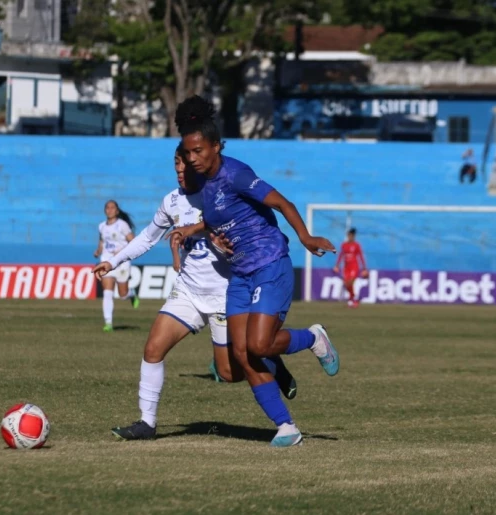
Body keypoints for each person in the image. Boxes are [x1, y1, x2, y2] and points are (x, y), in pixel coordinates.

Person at [93, 147, 298, 441]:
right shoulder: (171, 201)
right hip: (188, 292)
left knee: (230, 374)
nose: (180, 171)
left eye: (184, 165)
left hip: (225, 294)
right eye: (176, 166)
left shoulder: (217, 195)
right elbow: (147, 238)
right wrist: (113, 261)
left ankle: (270, 359)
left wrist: (221, 239)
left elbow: (246, 223)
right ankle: (146, 423)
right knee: (153, 350)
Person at [169, 95, 340, 447]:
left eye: (199, 151)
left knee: (259, 345)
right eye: (188, 153)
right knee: (241, 357)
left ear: (216, 147)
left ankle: (313, 338)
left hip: (269, 264)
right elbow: (223, 216)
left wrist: (305, 237)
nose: (193, 158)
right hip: (240, 274)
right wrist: (195, 230)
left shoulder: (236, 173)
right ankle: (286, 428)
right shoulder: (204, 184)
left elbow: (281, 202)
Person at [93, 200, 140, 331]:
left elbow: (134, 242)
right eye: (107, 207)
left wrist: (122, 250)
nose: (109, 210)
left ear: (117, 211)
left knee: (122, 294)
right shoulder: (101, 226)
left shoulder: (122, 225)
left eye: (112, 208)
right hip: (107, 262)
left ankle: (131, 295)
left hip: (121, 262)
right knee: (107, 293)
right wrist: (98, 251)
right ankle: (108, 323)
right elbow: (102, 241)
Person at [333, 227, 369, 308]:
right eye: (349, 235)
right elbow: (341, 255)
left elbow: (361, 256)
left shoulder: (356, 245)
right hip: (346, 268)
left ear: (353, 236)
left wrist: (364, 268)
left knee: (350, 282)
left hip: (354, 267)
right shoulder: (344, 245)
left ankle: (351, 299)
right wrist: (337, 265)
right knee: (347, 284)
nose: (350, 237)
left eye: (351, 235)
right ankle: (354, 299)